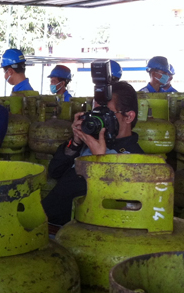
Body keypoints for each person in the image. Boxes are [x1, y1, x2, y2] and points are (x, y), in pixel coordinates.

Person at [42, 81, 144, 226]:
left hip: (78, 232)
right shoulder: (89, 141)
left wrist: (99, 161)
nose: (98, 120)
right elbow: (55, 171)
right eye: (95, 113)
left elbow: (118, 207)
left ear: (129, 116)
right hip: (47, 222)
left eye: (105, 114)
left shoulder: (137, 159)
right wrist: (75, 142)